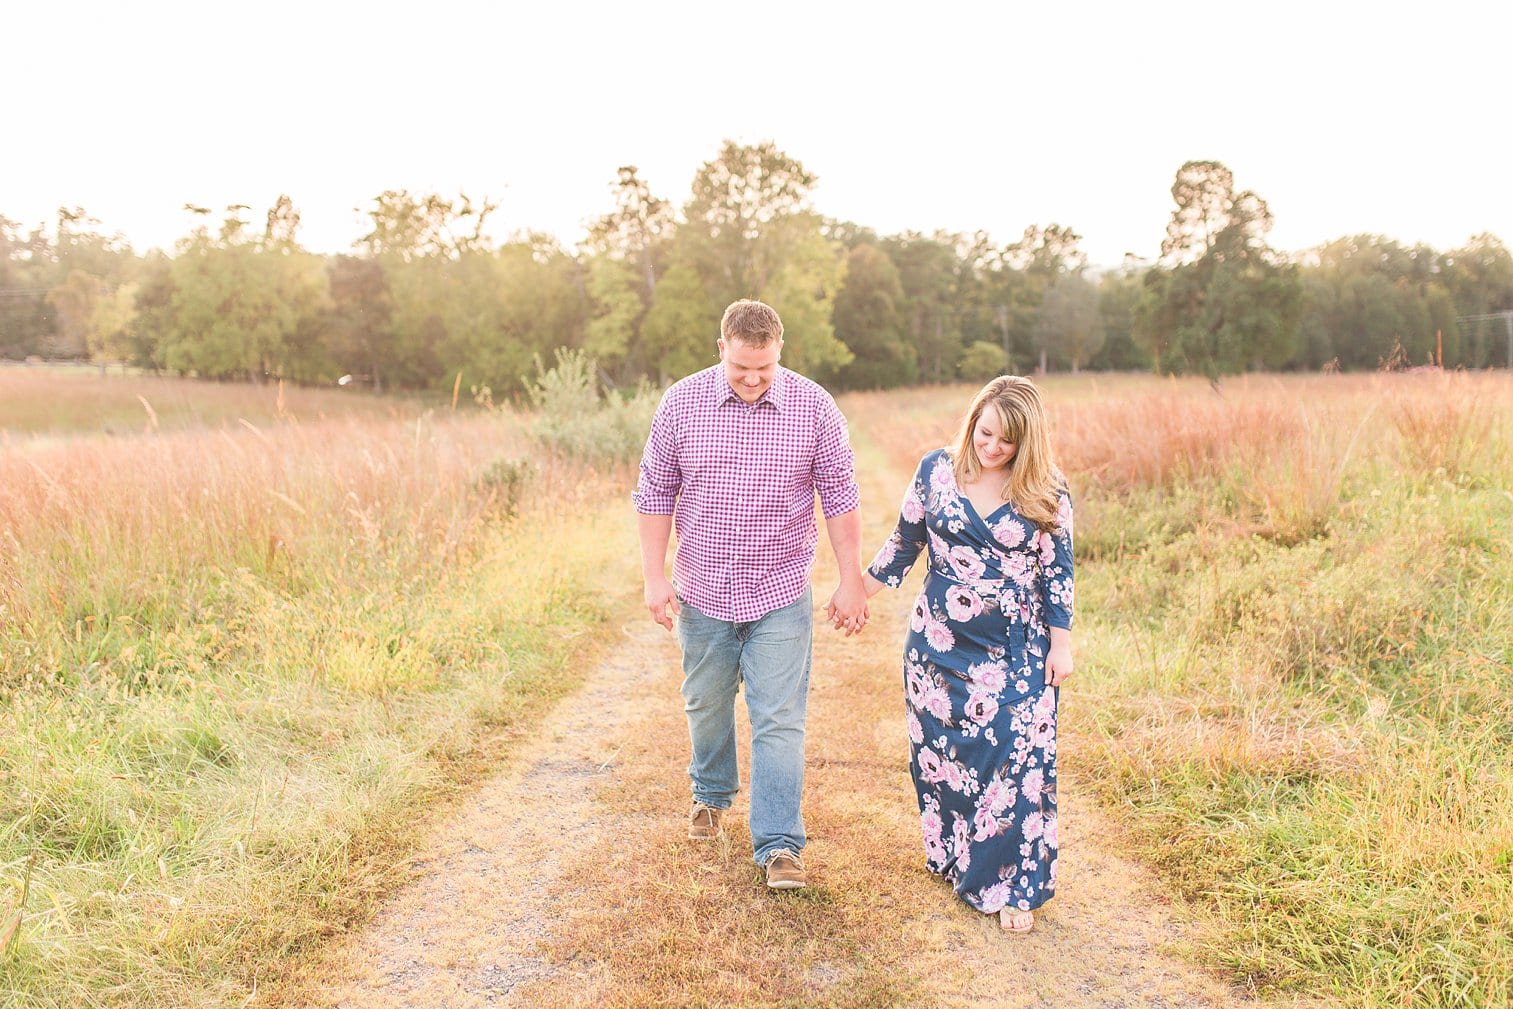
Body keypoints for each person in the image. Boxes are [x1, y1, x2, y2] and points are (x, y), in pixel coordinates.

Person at [633, 298, 869, 890]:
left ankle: (780, 845)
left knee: (779, 717)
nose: (754, 379)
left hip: (780, 590)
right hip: (704, 589)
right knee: (706, 705)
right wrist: (654, 576)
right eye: (742, 368)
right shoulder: (682, 402)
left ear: (779, 352)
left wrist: (850, 579)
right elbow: (655, 492)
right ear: (722, 350)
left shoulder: (814, 407)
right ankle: (711, 795)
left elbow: (839, 496)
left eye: (765, 367)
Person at [860, 375, 1074, 933]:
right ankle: (957, 857)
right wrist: (858, 590)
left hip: (1015, 647)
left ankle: (1015, 887)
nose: (992, 447)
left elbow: (1057, 571)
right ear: (973, 420)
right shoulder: (936, 470)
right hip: (938, 646)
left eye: (1007, 441)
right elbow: (906, 541)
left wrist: (1062, 643)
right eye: (985, 433)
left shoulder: (1046, 489)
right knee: (944, 757)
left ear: (1027, 442)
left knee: (1019, 758)